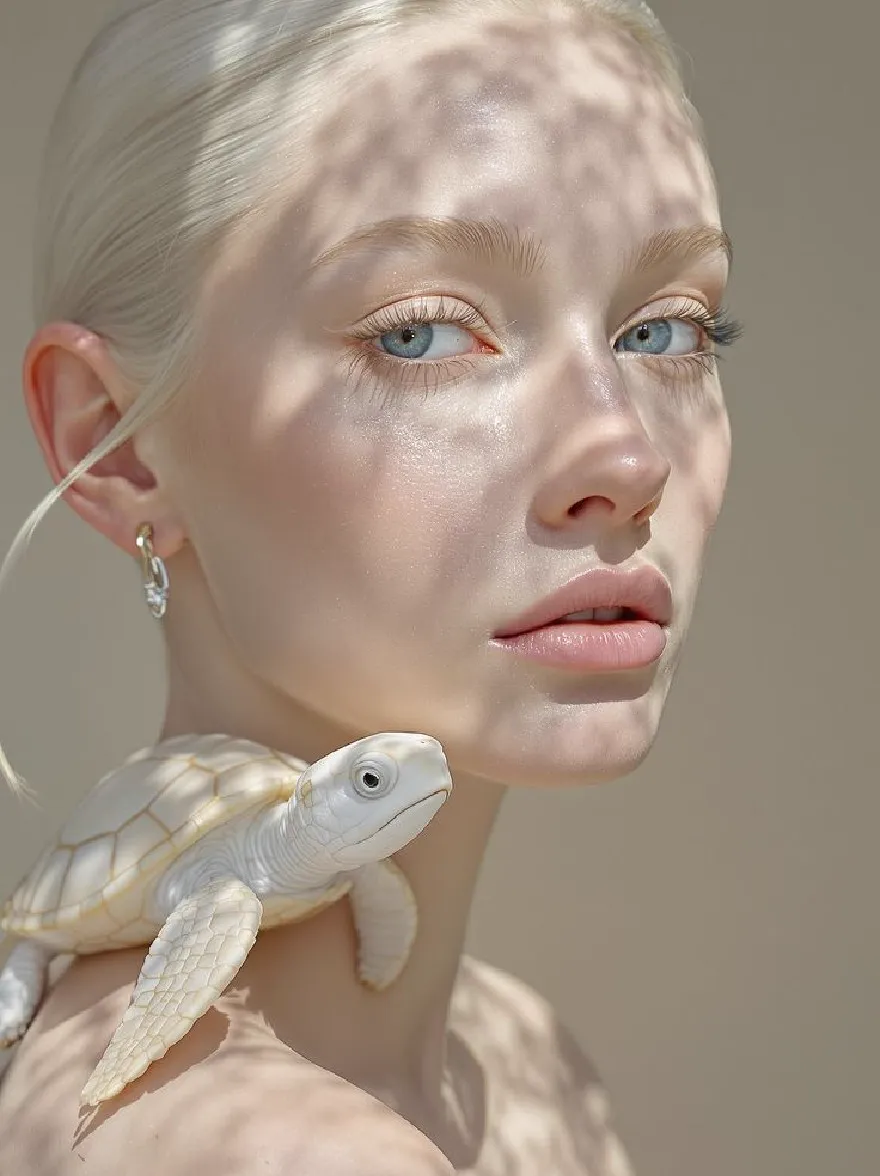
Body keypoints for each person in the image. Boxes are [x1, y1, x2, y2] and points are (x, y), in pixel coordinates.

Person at [0, 0, 743, 1171]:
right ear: (116, 447)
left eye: (666, 333)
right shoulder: (273, 1149)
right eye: (421, 335)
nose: (626, 457)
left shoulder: (523, 1059)